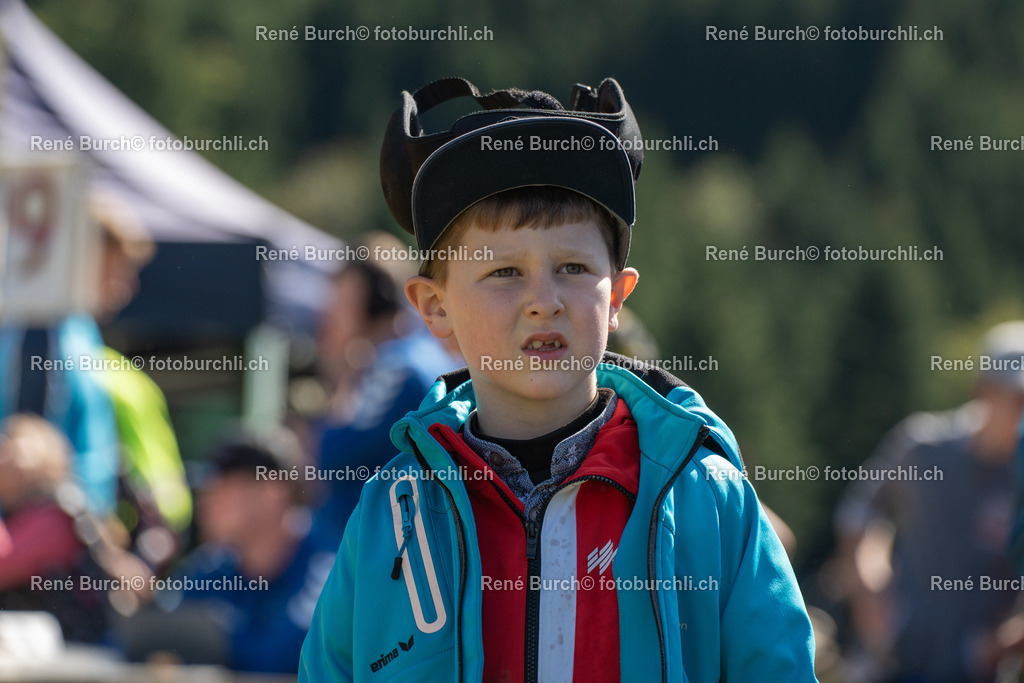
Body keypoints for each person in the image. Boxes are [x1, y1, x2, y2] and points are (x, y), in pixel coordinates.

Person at [300, 76, 816, 681]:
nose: (543, 301)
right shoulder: (391, 514)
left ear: (619, 296)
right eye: (503, 272)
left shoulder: (707, 498)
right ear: (434, 306)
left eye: (573, 267)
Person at [835, 321, 1024, 682]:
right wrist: (874, 600)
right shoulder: (924, 447)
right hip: (892, 662)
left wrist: (1000, 644)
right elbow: (857, 514)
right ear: (983, 390)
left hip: (978, 671)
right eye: (1018, 400)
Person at [152, 428, 336, 674]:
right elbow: (154, 635)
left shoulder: (329, 562)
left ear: (273, 492)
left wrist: (215, 637)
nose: (205, 500)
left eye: (223, 486)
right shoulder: (215, 562)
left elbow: (282, 659)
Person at [313, 235, 457, 541]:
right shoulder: (414, 354)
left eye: (342, 302)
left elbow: (331, 456)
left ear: (374, 301)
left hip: (386, 546)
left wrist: (344, 378)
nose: (332, 314)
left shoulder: (396, 367)